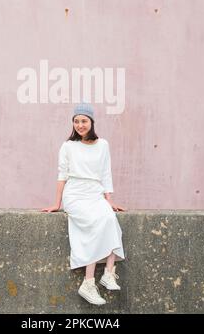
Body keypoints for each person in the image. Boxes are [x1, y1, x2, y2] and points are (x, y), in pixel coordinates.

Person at [42, 102, 126, 306]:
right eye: (76, 121)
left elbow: (106, 173)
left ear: (91, 122)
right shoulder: (68, 146)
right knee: (95, 225)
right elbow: (62, 175)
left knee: (109, 218)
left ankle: (108, 273)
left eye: (84, 121)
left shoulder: (103, 145)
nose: (80, 125)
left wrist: (109, 200)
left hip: (95, 193)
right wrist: (57, 203)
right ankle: (88, 282)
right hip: (75, 195)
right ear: (73, 123)